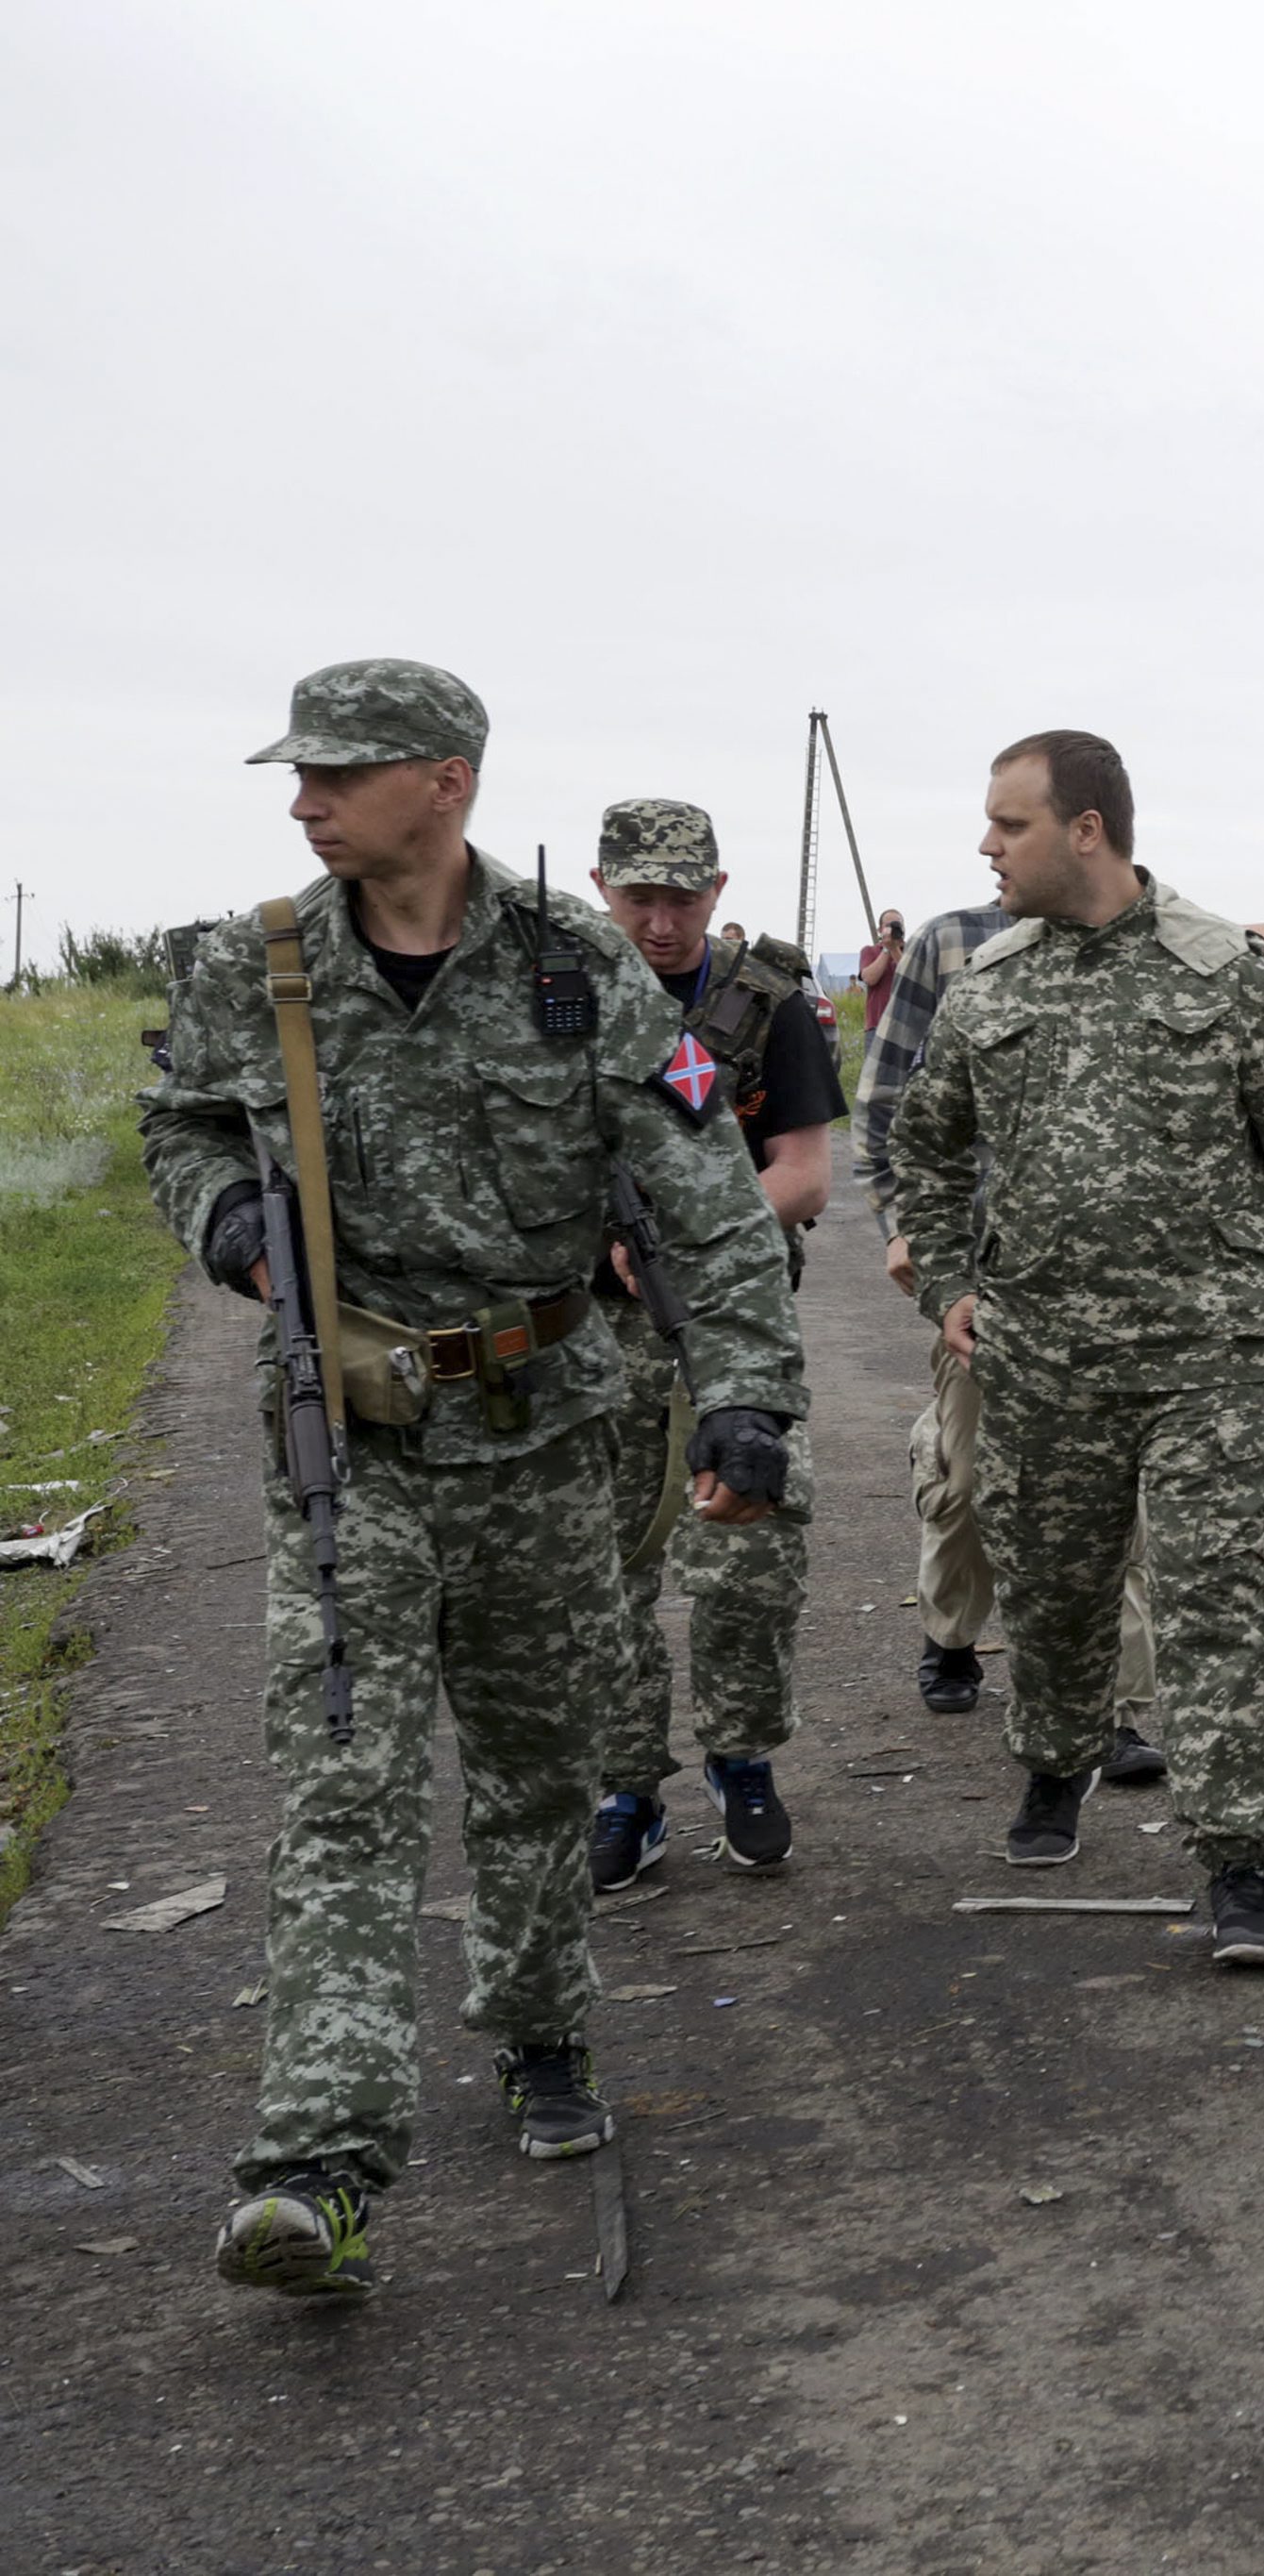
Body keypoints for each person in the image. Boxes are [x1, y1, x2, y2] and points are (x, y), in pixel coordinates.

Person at [143, 660, 805, 2298]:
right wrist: (230, 1224)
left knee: (532, 1768)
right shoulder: (259, 962)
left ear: (443, 780)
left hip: (544, 1432)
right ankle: (316, 2161)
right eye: (297, 776)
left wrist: (748, 1401)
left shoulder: (578, 967)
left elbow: (702, 1178)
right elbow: (184, 1126)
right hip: (350, 1440)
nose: (303, 800)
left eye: (336, 773)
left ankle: (539, 2030)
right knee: (346, 1786)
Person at [888, 729, 1264, 1965]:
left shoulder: (1224, 971)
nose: (986, 846)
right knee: (1056, 1595)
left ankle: (1238, 1859)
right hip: (1043, 1353)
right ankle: (1055, 1765)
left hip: (1204, 1350)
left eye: (1008, 824)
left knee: (1213, 1597)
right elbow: (925, 1141)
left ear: (1086, 830)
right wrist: (946, 1277)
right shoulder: (989, 984)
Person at [581, 798, 846, 1887]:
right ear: (601, 887)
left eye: (681, 898)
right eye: (638, 895)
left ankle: (742, 1760)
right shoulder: (554, 999)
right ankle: (626, 1787)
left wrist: (695, 1237)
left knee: (750, 1548)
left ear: (718, 894)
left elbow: (803, 1170)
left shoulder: (766, 1003)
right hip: (590, 1329)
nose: (658, 920)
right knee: (604, 1570)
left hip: (732, 1316)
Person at [859, 897, 1169, 1777]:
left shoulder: (1162, 951)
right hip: (982, 1274)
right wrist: (905, 1227)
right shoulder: (952, 944)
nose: (997, 845)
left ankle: (1112, 1711)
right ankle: (951, 1634)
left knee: (1115, 1505)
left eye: (1015, 825)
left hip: (1113, 1286)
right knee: (965, 1481)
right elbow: (886, 1099)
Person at [857, 908, 906, 1032]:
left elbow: (910, 977)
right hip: (877, 1025)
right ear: (880, 930)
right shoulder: (869, 951)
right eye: (889, 925)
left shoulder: (912, 951)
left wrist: (895, 949)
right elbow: (869, 979)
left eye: (897, 925)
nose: (894, 929)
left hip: (905, 1026)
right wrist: (886, 949)